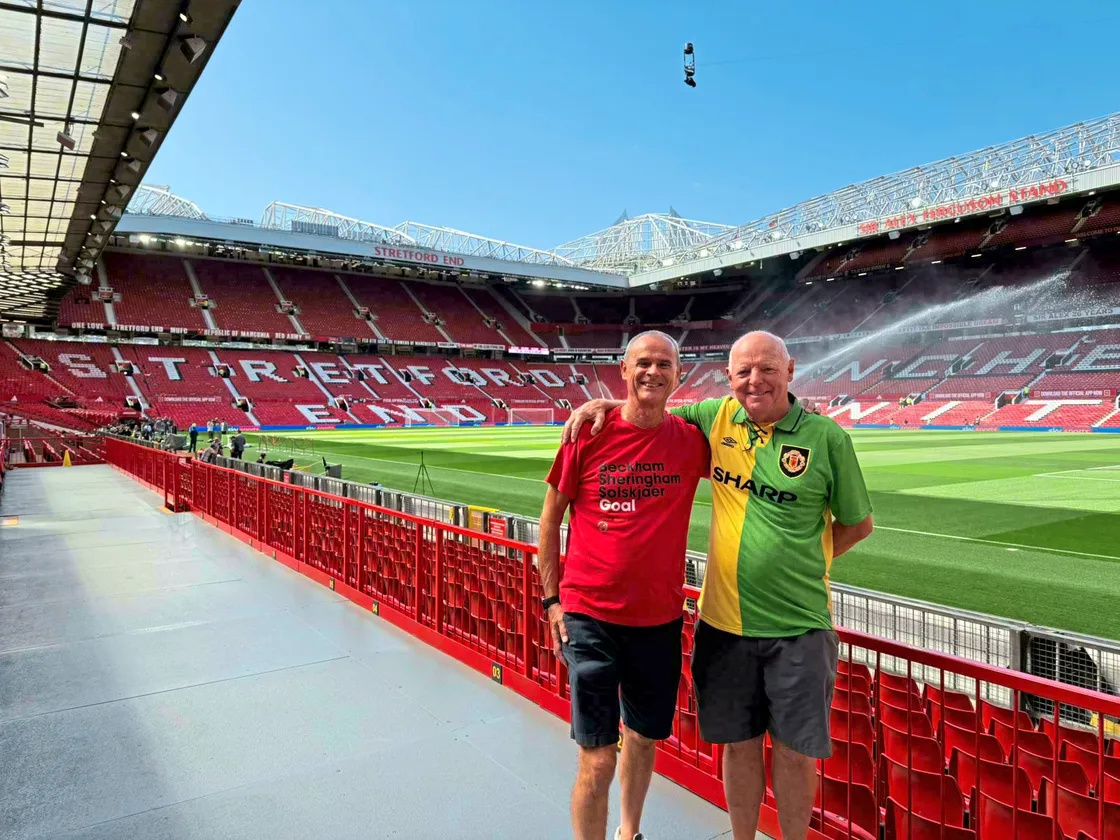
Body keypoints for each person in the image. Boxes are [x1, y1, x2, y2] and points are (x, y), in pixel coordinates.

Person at [564, 331, 873, 840]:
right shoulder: (715, 416)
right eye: (744, 371)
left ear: (790, 370)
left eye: (768, 369)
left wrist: (806, 560)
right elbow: (648, 406)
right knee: (738, 745)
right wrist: (605, 401)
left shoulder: (826, 437)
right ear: (727, 379)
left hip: (800, 625)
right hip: (722, 623)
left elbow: (858, 524)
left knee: (795, 753)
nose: (756, 380)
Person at [539, 331, 710, 840]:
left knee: (642, 737)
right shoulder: (586, 434)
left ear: (679, 375)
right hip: (589, 616)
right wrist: (552, 602)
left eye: (664, 364)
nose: (652, 372)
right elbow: (550, 520)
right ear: (623, 369)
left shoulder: (690, 441)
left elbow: (748, 413)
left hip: (658, 620)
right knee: (596, 757)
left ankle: (629, 832)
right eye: (642, 364)